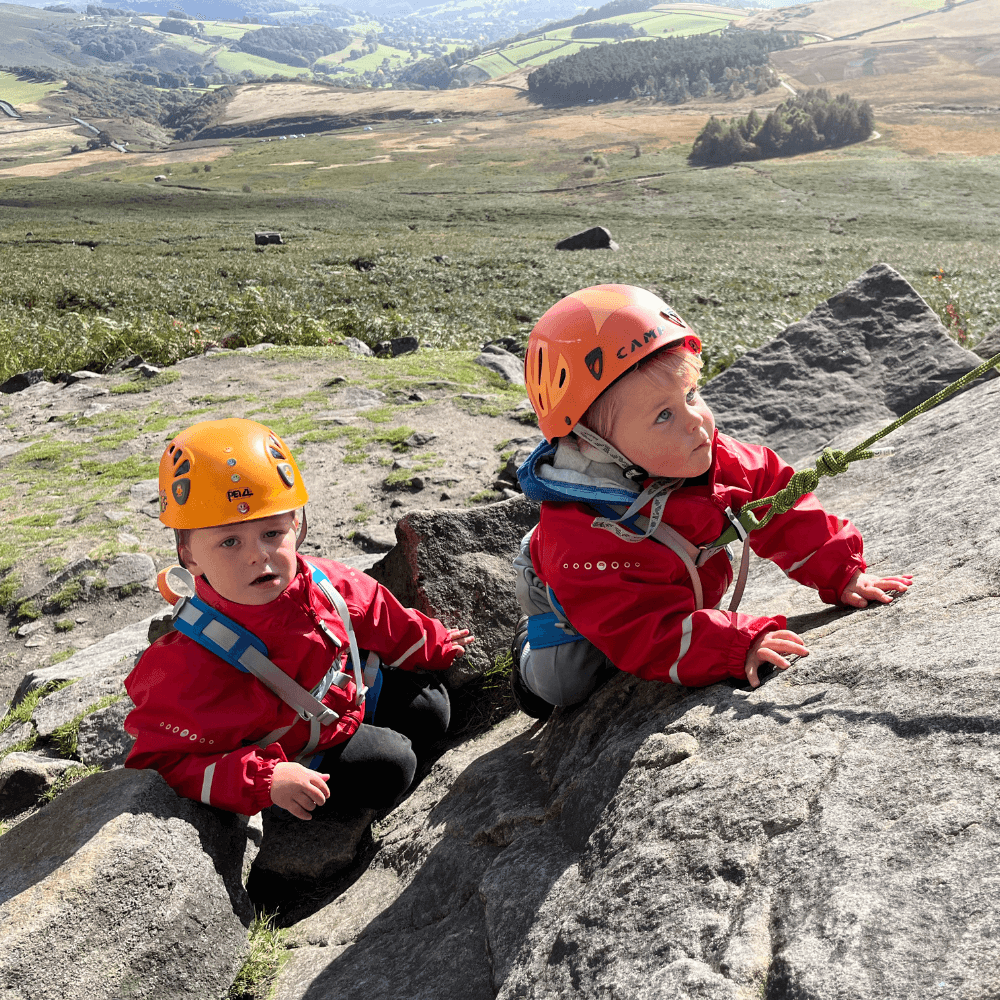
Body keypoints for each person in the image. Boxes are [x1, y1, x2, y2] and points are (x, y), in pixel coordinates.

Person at [510, 284, 911, 719]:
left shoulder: (711, 459)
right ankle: (525, 651)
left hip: (654, 578)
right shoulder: (583, 540)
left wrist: (841, 571)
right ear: (591, 445)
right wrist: (734, 642)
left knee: (684, 607)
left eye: (691, 396)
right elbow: (645, 633)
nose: (696, 423)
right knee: (565, 686)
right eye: (664, 416)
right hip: (579, 588)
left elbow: (782, 505)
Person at [124, 418, 473, 820]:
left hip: (342, 699)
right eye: (230, 541)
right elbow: (163, 761)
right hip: (293, 752)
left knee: (433, 709)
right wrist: (266, 780)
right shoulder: (188, 665)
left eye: (272, 533)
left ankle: (370, 730)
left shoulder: (322, 583)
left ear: (297, 525)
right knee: (392, 767)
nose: (258, 555)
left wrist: (434, 643)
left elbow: (379, 614)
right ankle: (303, 806)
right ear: (189, 555)